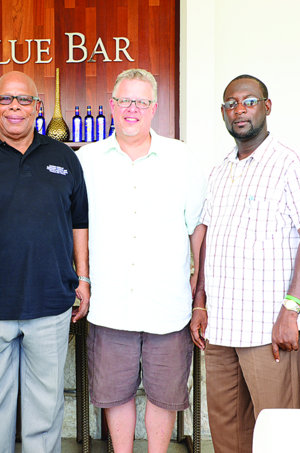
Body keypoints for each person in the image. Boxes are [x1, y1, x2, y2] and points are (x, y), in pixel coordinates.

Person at [0, 71, 89, 452]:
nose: (15, 108)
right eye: (5, 100)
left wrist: (83, 279)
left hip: (50, 304)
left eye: (23, 100)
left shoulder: (63, 158)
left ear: (38, 107)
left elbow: (79, 224)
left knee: (46, 406)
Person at [192, 74, 300, 453]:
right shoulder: (221, 170)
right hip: (220, 327)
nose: (239, 109)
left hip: (268, 329)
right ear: (223, 113)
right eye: (231, 103)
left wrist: (292, 311)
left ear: (266, 107)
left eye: (249, 101)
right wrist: (200, 301)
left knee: (276, 434)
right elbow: (208, 239)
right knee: (226, 431)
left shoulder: (293, 165)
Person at [76, 68, 206, 452]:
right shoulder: (88, 159)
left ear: (154, 108)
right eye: (125, 100)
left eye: (141, 101)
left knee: (165, 396)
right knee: (115, 394)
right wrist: (81, 279)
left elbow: (197, 229)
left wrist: (200, 296)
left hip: (168, 305)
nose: (132, 108)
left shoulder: (181, 157)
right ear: (112, 106)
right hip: (109, 303)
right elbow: (76, 227)